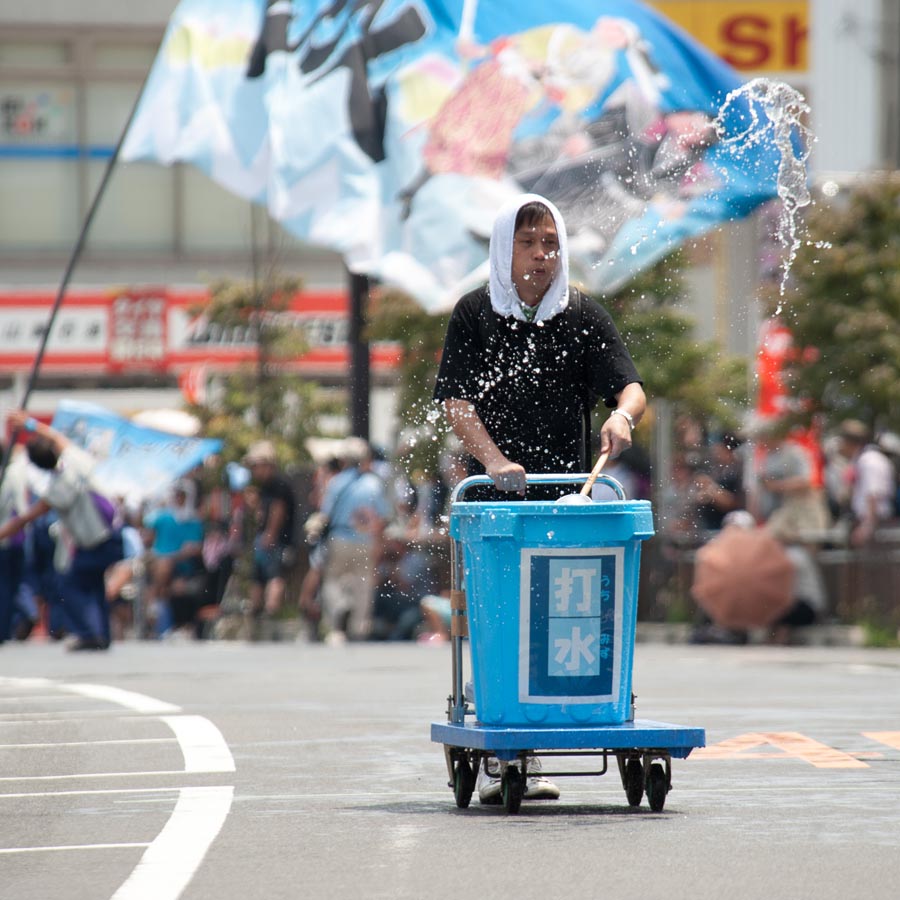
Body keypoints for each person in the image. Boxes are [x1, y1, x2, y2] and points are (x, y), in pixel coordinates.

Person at [433, 193, 645, 803]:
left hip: (566, 500)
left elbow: (628, 387)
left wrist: (623, 417)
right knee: (503, 618)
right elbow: (455, 402)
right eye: (528, 244)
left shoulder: (581, 314)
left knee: (558, 621)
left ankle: (548, 731)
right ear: (505, 249)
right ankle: (508, 743)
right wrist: (494, 460)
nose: (541, 256)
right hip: (496, 501)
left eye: (550, 244)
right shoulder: (474, 313)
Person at [0, 412, 124, 650]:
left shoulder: (58, 487)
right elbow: (57, 438)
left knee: (71, 584)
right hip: (112, 533)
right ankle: (101, 634)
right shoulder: (77, 461)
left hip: (95, 540)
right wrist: (29, 424)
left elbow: (23, 519)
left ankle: (89, 633)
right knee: (93, 583)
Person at [317, 437, 390, 644]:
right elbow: (383, 517)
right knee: (363, 582)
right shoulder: (374, 484)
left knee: (333, 580)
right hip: (365, 539)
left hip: (339, 537)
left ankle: (337, 623)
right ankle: (360, 626)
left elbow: (326, 514)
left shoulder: (336, 482)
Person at [244, 440, 297, 634]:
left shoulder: (278, 484)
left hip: (276, 540)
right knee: (258, 577)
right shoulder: (265, 487)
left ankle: (270, 613)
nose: (254, 471)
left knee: (275, 575)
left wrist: (270, 533)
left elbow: (278, 510)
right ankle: (256, 614)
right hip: (266, 539)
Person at [837, 420, 896, 546]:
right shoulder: (863, 459)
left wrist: (867, 526)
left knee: (876, 563)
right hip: (871, 521)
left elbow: (873, 494)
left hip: (875, 523)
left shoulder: (868, 460)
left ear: (849, 442)